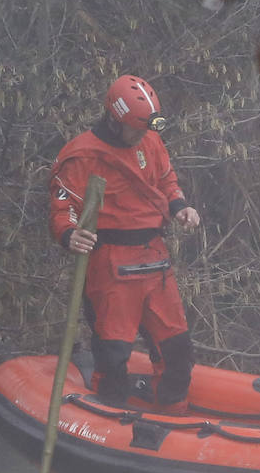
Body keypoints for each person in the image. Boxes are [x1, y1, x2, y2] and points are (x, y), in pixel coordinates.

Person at [49, 74, 200, 413]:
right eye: (135, 129)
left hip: (154, 258)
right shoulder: (81, 156)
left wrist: (180, 207)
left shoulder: (150, 142)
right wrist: (70, 234)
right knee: (114, 355)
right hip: (110, 264)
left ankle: (173, 417)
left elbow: (165, 180)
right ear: (115, 122)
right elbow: (63, 207)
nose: (141, 136)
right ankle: (107, 419)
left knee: (177, 348)